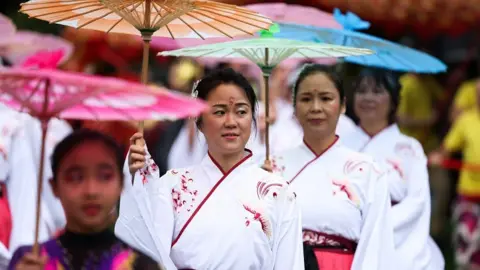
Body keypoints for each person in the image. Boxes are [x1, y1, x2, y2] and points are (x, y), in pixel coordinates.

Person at [117, 68, 304, 269]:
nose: (231, 122)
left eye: (241, 112)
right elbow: (147, 247)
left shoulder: (278, 192)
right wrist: (138, 181)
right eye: (219, 112)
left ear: (252, 119)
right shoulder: (172, 185)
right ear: (200, 122)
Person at [267, 64, 396, 269]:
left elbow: (376, 245)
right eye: (306, 99)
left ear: (343, 106)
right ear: (294, 106)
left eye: (326, 98)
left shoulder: (367, 170)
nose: (316, 108)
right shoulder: (272, 167)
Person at [8, 129, 163, 270]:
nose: (91, 191)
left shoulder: (142, 265)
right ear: (54, 186)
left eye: (104, 177)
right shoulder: (29, 260)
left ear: (121, 183)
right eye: (76, 178)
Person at [342, 68, 444, 270]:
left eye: (377, 91)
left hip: (398, 240)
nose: (368, 97)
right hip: (348, 237)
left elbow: (417, 200)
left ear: (393, 100)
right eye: (362, 91)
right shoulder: (341, 144)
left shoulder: (409, 148)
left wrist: (374, 225)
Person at [429, 79, 480, 269]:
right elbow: (446, 149)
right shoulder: (466, 120)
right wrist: (438, 157)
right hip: (469, 194)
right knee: (467, 249)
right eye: (477, 92)